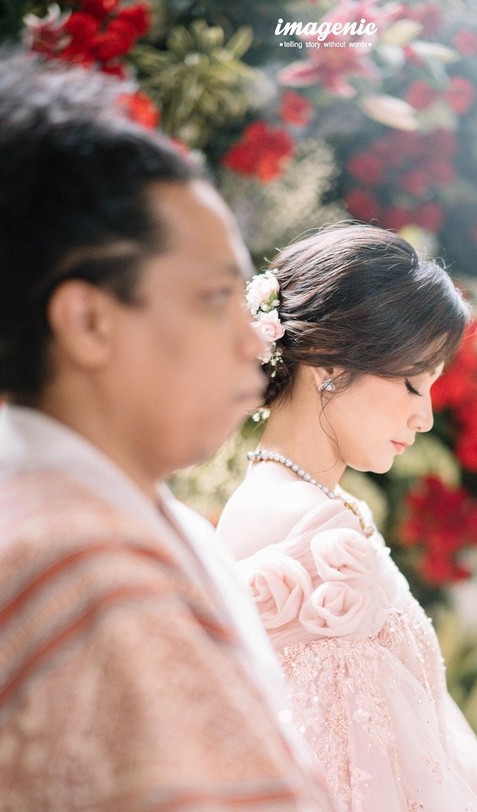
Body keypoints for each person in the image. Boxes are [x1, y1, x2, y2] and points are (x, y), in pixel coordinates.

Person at [0, 49, 335, 811]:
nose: (256, 342)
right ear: (89, 320)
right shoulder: (75, 566)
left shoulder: (110, 523)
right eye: (217, 297)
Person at [216, 224, 477, 811]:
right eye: (410, 384)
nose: (423, 418)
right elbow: (356, 779)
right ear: (327, 364)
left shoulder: (307, 506)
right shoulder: (310, 528)